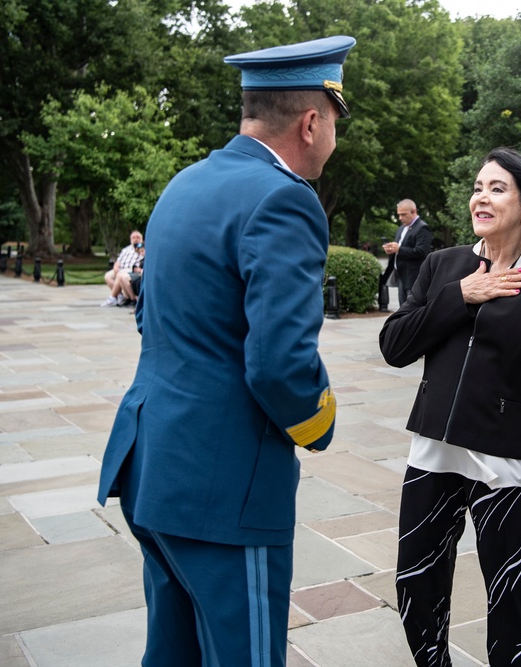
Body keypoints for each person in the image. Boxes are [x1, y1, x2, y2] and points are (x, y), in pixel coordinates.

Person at [96, 35, 355, 666]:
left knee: (174, 654)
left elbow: (149, 316)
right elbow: (278, 364)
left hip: (154, 465)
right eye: (335, 125)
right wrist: (319, 421)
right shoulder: (285, 198)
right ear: (312, 121)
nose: (333, 140)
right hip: (225, 486)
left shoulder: (185, 184)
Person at [380, 148, 521, 667]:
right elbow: (395, 346)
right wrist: (462, 293)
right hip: (434, 454)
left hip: (507, 466)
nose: (481, 195)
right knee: (415, 586)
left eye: (497, 188)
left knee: (510, 600)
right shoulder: (444, 265)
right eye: (479, 186)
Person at [382, 198, 433, 304]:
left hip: (414, 277)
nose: (400, 218)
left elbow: (421, 251)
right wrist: (391, 250)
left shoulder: (422, 228)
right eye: (399, 215)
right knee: (402, 310)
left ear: (414, 211)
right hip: (401, 274)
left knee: (412, 310)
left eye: (404, 214)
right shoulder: (401, 228)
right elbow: (400, 249)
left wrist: (399, 249)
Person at [101, 230, 143, 307]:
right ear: (130, 239)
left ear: (141, 238)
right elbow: (118, 261)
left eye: (138, 237)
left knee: (120, 274)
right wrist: (116, 267)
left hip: (131, 269)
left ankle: (112, 297)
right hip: (121, 268)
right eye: (133, 238)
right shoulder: (126, 249)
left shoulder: (143, 248)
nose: (136, 239)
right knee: (108, 276)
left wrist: (139, 249)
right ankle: (120, 295)